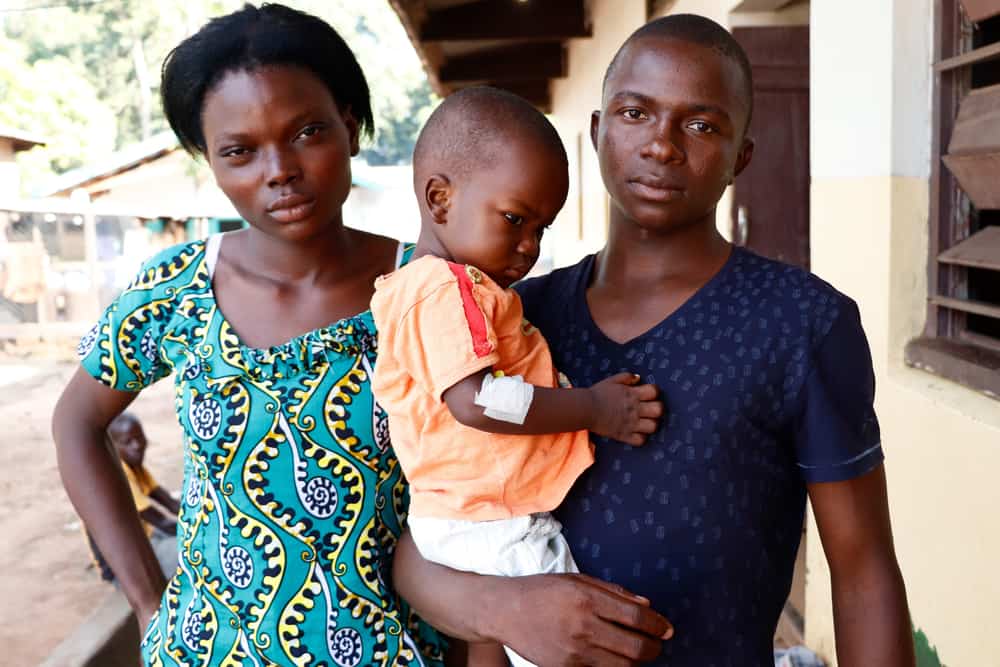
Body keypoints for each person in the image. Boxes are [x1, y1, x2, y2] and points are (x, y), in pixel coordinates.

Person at [393, 14, 914, 667]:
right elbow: (417, 545)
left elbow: (863, 569)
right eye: (635, 113)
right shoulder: (513, 320)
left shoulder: (802, 322)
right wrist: (506, 610)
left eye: (702, 125)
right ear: (597, 131)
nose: (662, 146)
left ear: (741, 157)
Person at [52, 4, 447, 665]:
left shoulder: (430, 288)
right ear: (209, 161)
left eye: (307, 132)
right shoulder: (177, 287)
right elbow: (75, 422)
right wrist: (148, 601)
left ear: (350, 127)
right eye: (240, 151)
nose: (279, 169)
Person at [369, 87, 664, 667]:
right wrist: (595, 409)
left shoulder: (449, 289)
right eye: (514, 219)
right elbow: (479, 401)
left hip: (471, 515)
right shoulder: (442, 290)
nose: (528, 246)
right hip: (489, 520)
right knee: (572, 643)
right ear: (440, 198)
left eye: (542, 229)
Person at [86, 413, 180, 582]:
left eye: (140, 438)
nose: (137, 446)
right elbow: (162, 522)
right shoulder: (116, 473)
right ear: (112, 447)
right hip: (123, 565)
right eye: (127, 442)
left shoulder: (134, 466)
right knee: (197, 551)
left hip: (144, 539)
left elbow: (170, 503)